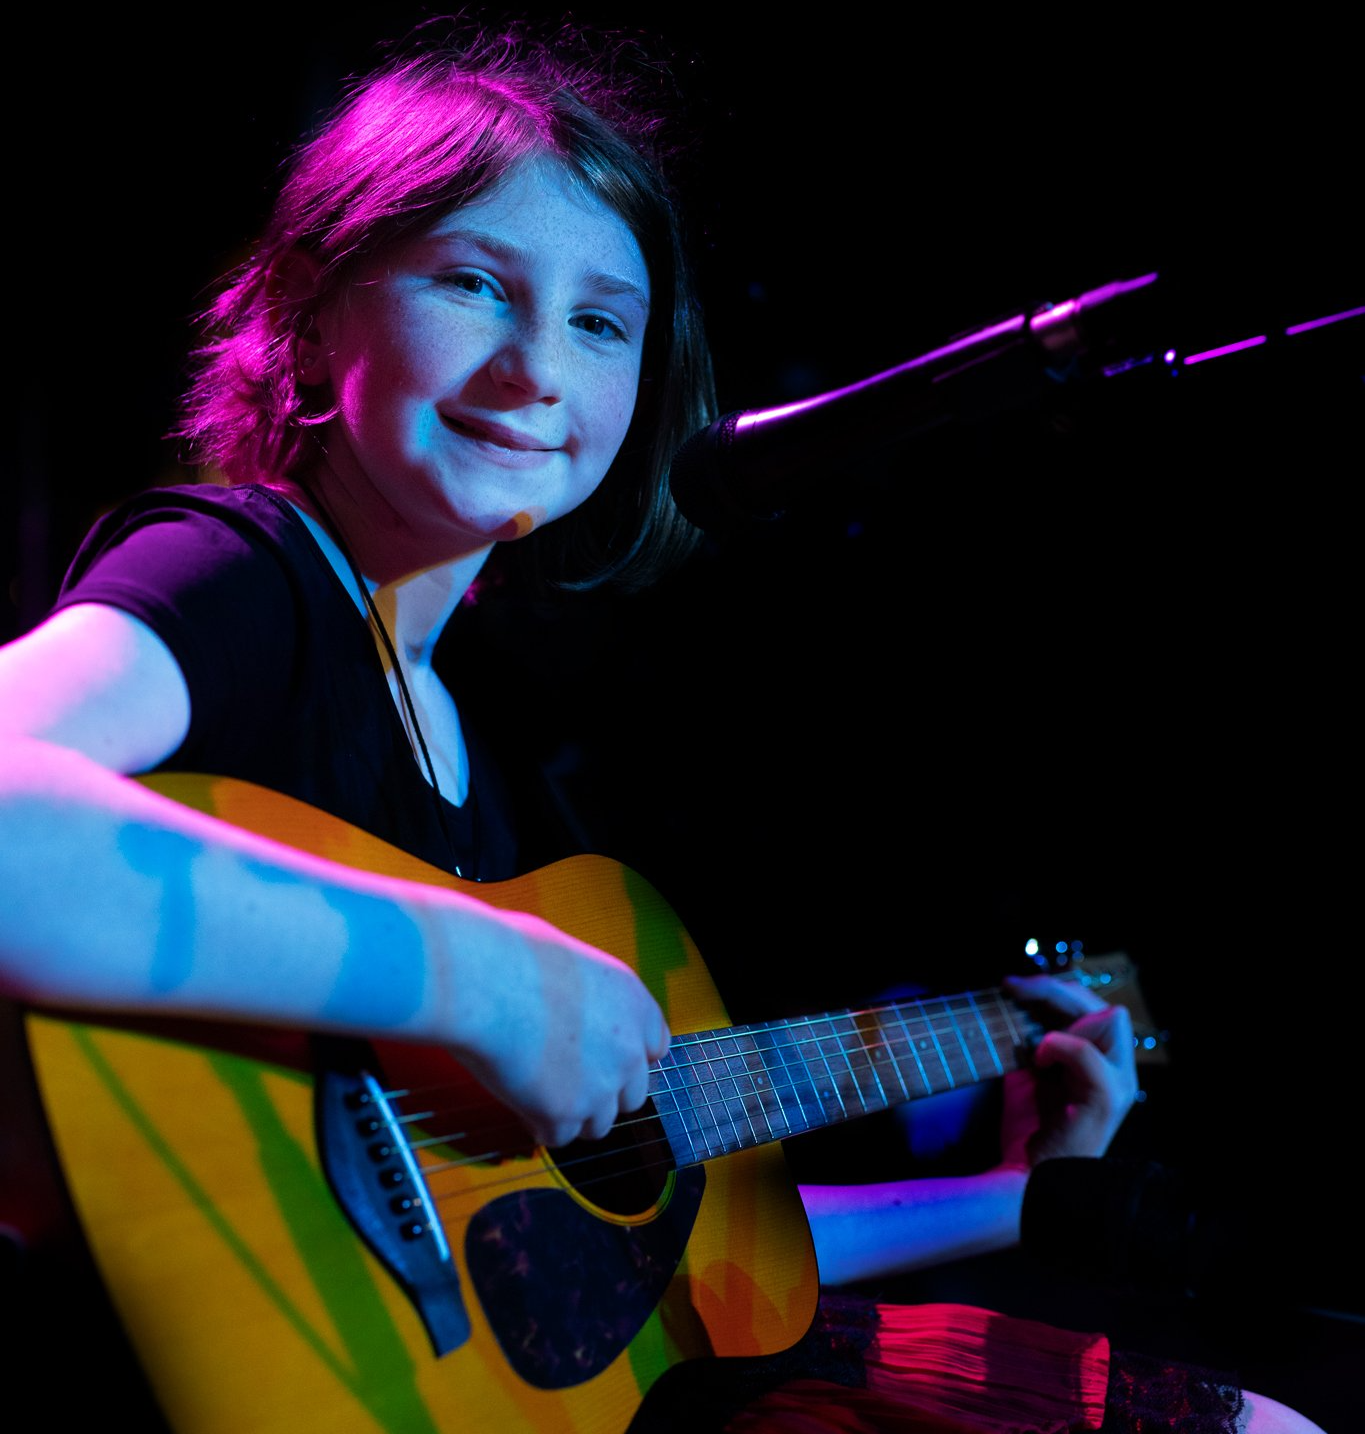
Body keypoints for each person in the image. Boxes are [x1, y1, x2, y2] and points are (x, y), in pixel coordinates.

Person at [0, 18, 1326, 1434]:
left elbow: (680, 1246)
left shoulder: (498, 755)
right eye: (472, 283)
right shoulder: (249, 573)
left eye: (600, 321)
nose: (537, 367)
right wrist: (476, 977)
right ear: (315, 310)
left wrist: (1022, 1185)